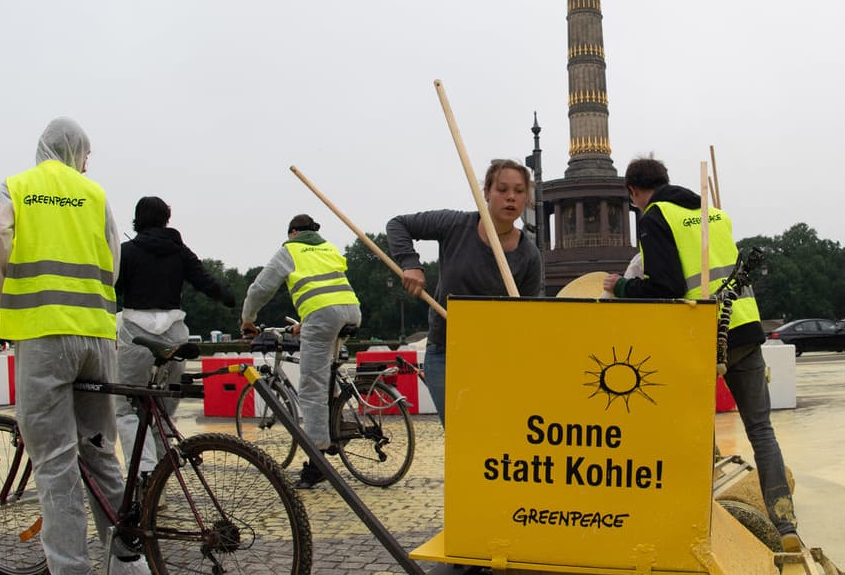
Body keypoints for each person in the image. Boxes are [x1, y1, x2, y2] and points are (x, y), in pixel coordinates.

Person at [0, 116, 152, 575]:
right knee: (100, 450)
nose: (86, 163)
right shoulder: (96, 196)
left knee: (54, 455)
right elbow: (114, 259)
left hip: (43, 333)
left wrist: (0, 293)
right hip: (97, 333)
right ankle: (128, 561)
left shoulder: (19, 186)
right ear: (75, 152)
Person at [604, 155, 797, 538]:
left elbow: (667, 285)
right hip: (743, 326)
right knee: (761, 430)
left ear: (633, 192)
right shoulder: (714, 213)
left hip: (702, 334)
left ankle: (693, 521)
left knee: (691, 428)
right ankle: (785, 523)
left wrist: (622, 286)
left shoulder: (656, 216)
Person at [385, 159, 544, 424]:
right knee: (460, 434)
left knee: (492, 432)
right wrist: (411, 264)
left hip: (494, 357)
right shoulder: (455, 224)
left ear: (526, 197)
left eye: (518, 191)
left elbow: (526, 316)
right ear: (486, 193)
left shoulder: (529, 256)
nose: (510, 198)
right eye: (502, 189)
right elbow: (398, 224)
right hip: (445, 351)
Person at [112, 195, 236, 475]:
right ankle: (163, 475)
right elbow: (205, 281)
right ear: (167, 218)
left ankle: (143, 474)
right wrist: (228, 299)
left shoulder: (126, 252)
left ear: (137, 219)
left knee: (127, 407)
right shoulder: (180, 251)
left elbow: (110, 289)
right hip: (175, 335)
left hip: (136, 334)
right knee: (163, 413)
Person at [241, 214, 363, 488]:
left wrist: (247, 319)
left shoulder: (290, 249)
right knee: (327, 375)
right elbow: (327, 289)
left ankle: (316, 461)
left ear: (293, 232)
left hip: (323, 316)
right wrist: (307, 324)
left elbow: (261, 288)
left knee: (311, 388)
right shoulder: (328, 248)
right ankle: (338, 422)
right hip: (351, 311)